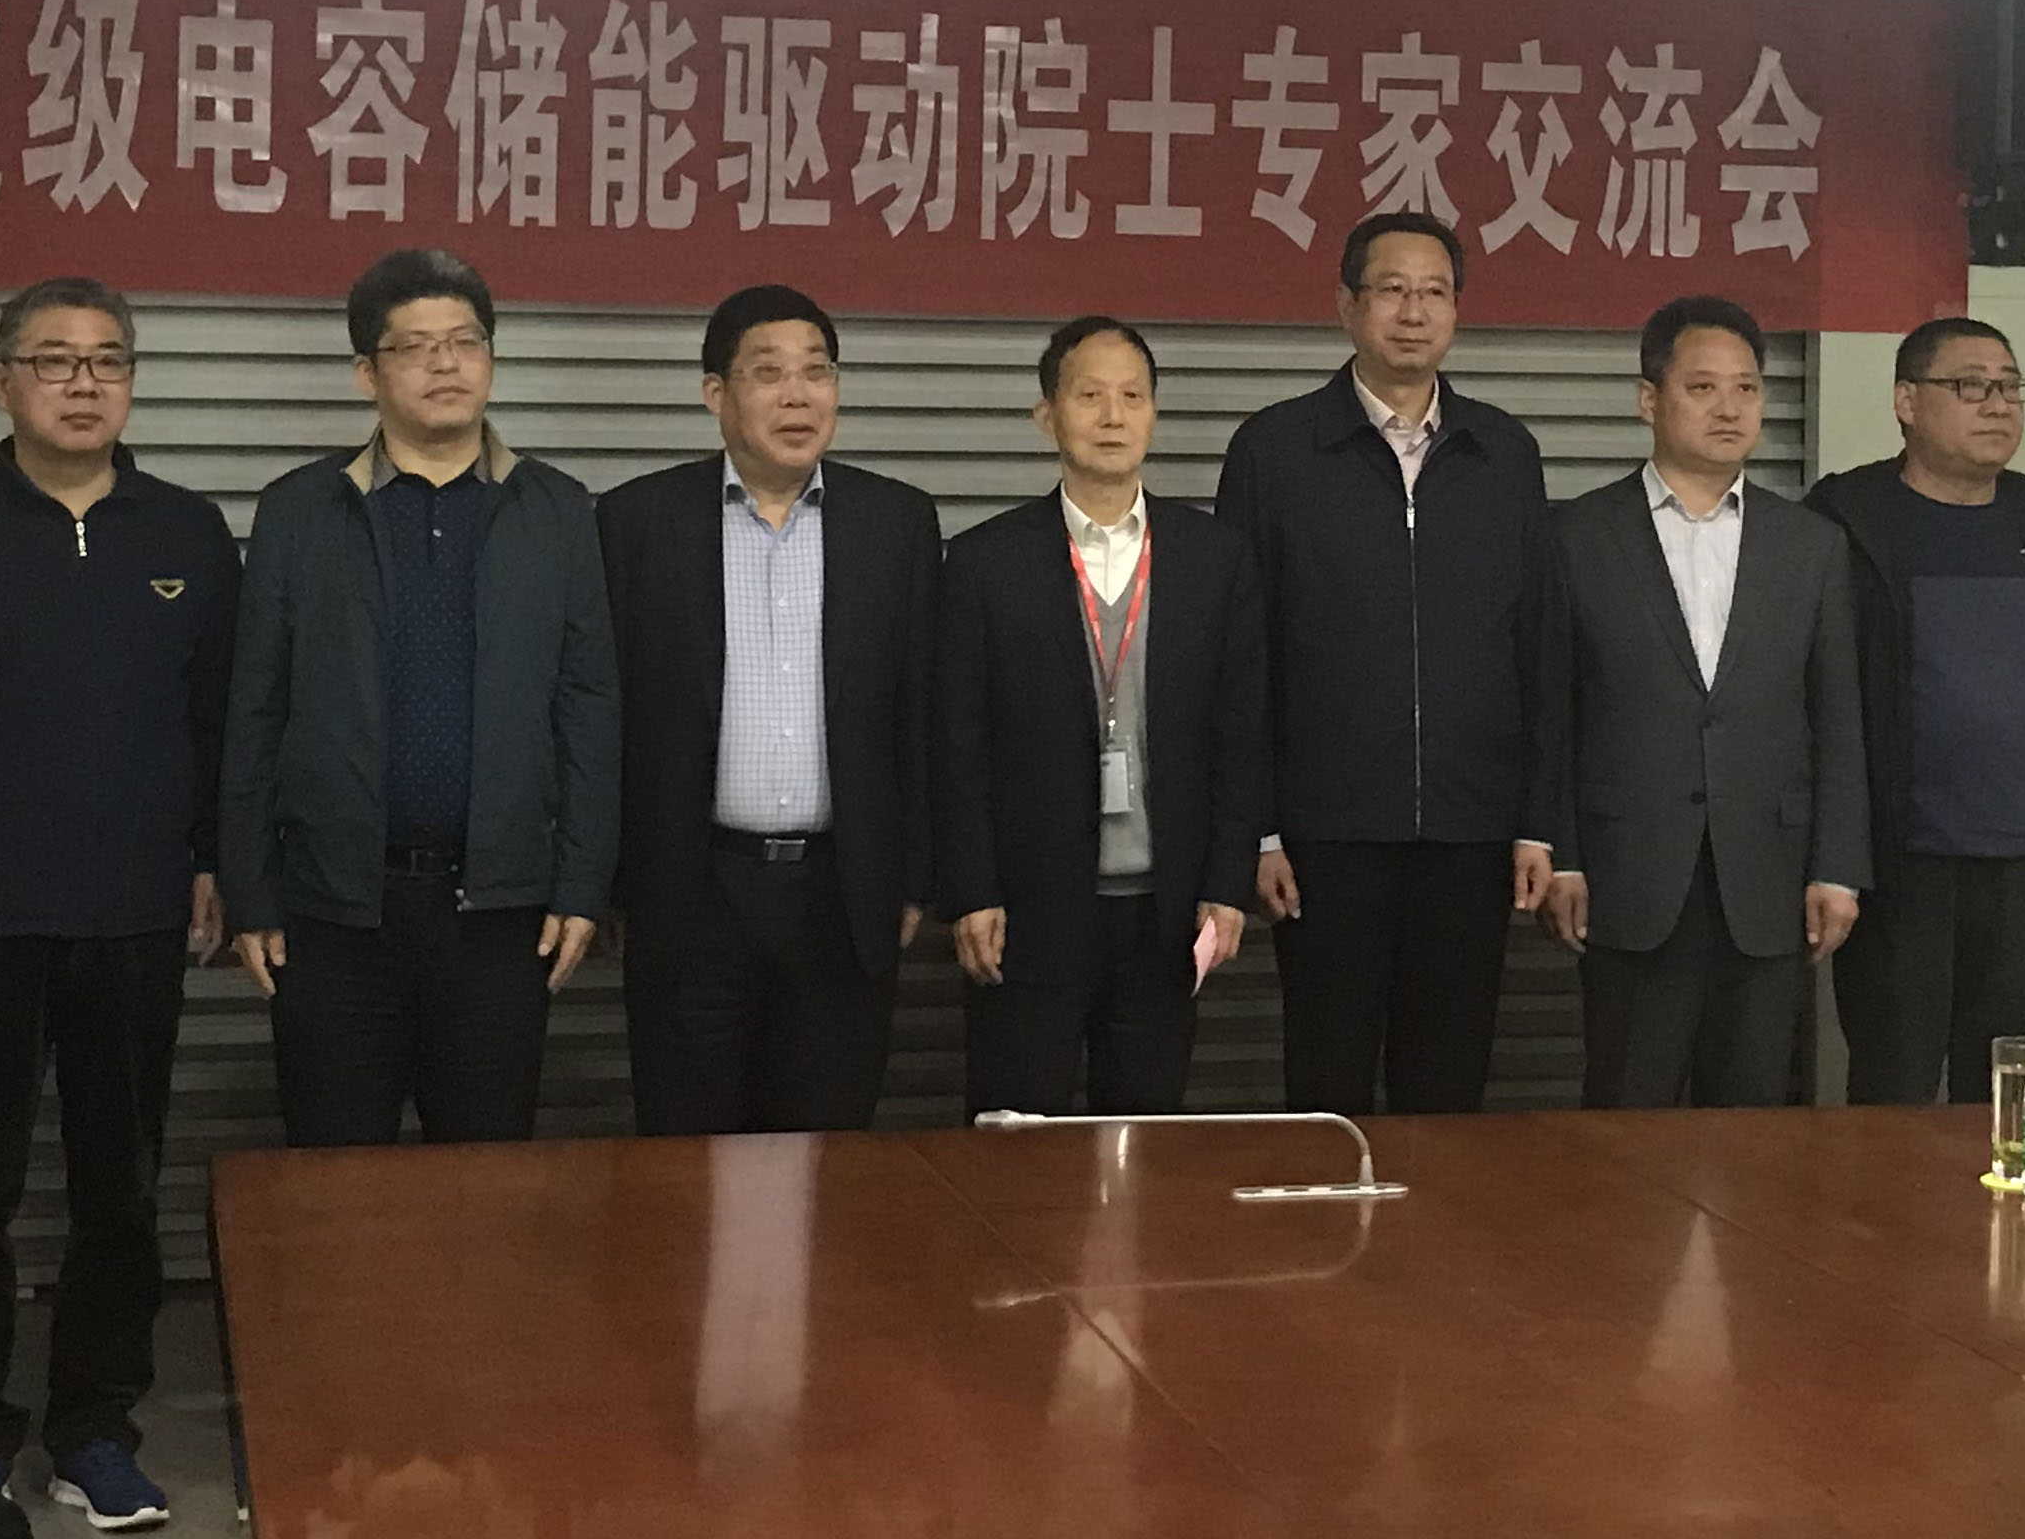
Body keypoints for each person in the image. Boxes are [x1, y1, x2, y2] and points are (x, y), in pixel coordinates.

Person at [0, 277, 236, 1532]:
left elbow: (218, 723)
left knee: (120, 1189)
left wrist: (210, 860)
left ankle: (94, 1429)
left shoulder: (187, 535)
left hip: (134, 915)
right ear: (1, 381)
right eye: (55, 359)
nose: (83, 383)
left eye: (107, 361)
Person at [221, 249, 616, 1147]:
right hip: (335, 910)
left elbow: (588, 707)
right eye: (415, 347)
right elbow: (256, 709)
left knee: (484, 1182)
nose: (446, 364)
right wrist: (250, 890)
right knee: (334, 1177)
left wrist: (583, 883)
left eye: (465, 342)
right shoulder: (300, 510)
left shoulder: (557, 510)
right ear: (367, 373)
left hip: (501, 913)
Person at [1215, 211, 1562, 1119]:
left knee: (1448, 1086)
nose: (1414, 312)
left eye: (1435, 292)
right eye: (1392, 290)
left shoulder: (1505, 454)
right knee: (1325, 1077)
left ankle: (1439, 1223)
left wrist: (1537, 822)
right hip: (1324, 834)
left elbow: (1538, 650)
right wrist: (1257, 831)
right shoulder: (1275, 450)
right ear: (1346, 306)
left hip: (1470, 832)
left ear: (1457, 311)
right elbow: (1240, 659)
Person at [600, 285, 937, 1134]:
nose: (798, 396)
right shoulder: (636, 524)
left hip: (841, 893)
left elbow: (921, 715)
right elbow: (605, 717)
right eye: (769, 373)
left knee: (825, 1156)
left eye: (817, 373)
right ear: (716, 393)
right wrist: (608, 884)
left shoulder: (895, 524)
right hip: (693, 891)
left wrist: (912, 876)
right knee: (688, 1156)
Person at [1542, 297, 1871, 1109]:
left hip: (1768, 877)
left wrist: (1837, 868)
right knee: (1627, 1114)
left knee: (1755, 1122)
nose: (1729, 408)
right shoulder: (1578, 535)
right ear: (1648, 400)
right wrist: (1564, 853)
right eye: (1702, 388)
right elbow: (1551, 712)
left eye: (1747, 389)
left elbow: (1837, 718)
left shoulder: (1811, 545)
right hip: (1628, 872)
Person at [933, 317, 1263, 1118]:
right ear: (1046, 416)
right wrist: (972, 889)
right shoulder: (984, 563)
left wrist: (1227, 884)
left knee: (1144, 1136)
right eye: (1089, 396)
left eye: (1133, 397)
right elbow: (956, 744)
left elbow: (1240, 735)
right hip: (1028, 908)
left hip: (1167, 911)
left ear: (1154, 414)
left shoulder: (1215, 559)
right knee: (1018, 1134)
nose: (1113, 416)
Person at [1805, 318, 2025, 1104]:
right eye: (1969, 385)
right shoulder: (1844, 523)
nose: (1997, 404)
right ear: (1906, 401)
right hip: (1899, 865)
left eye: (2009, 386)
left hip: (2024, 862)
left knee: (2004, 1098)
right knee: (1891, 1092)